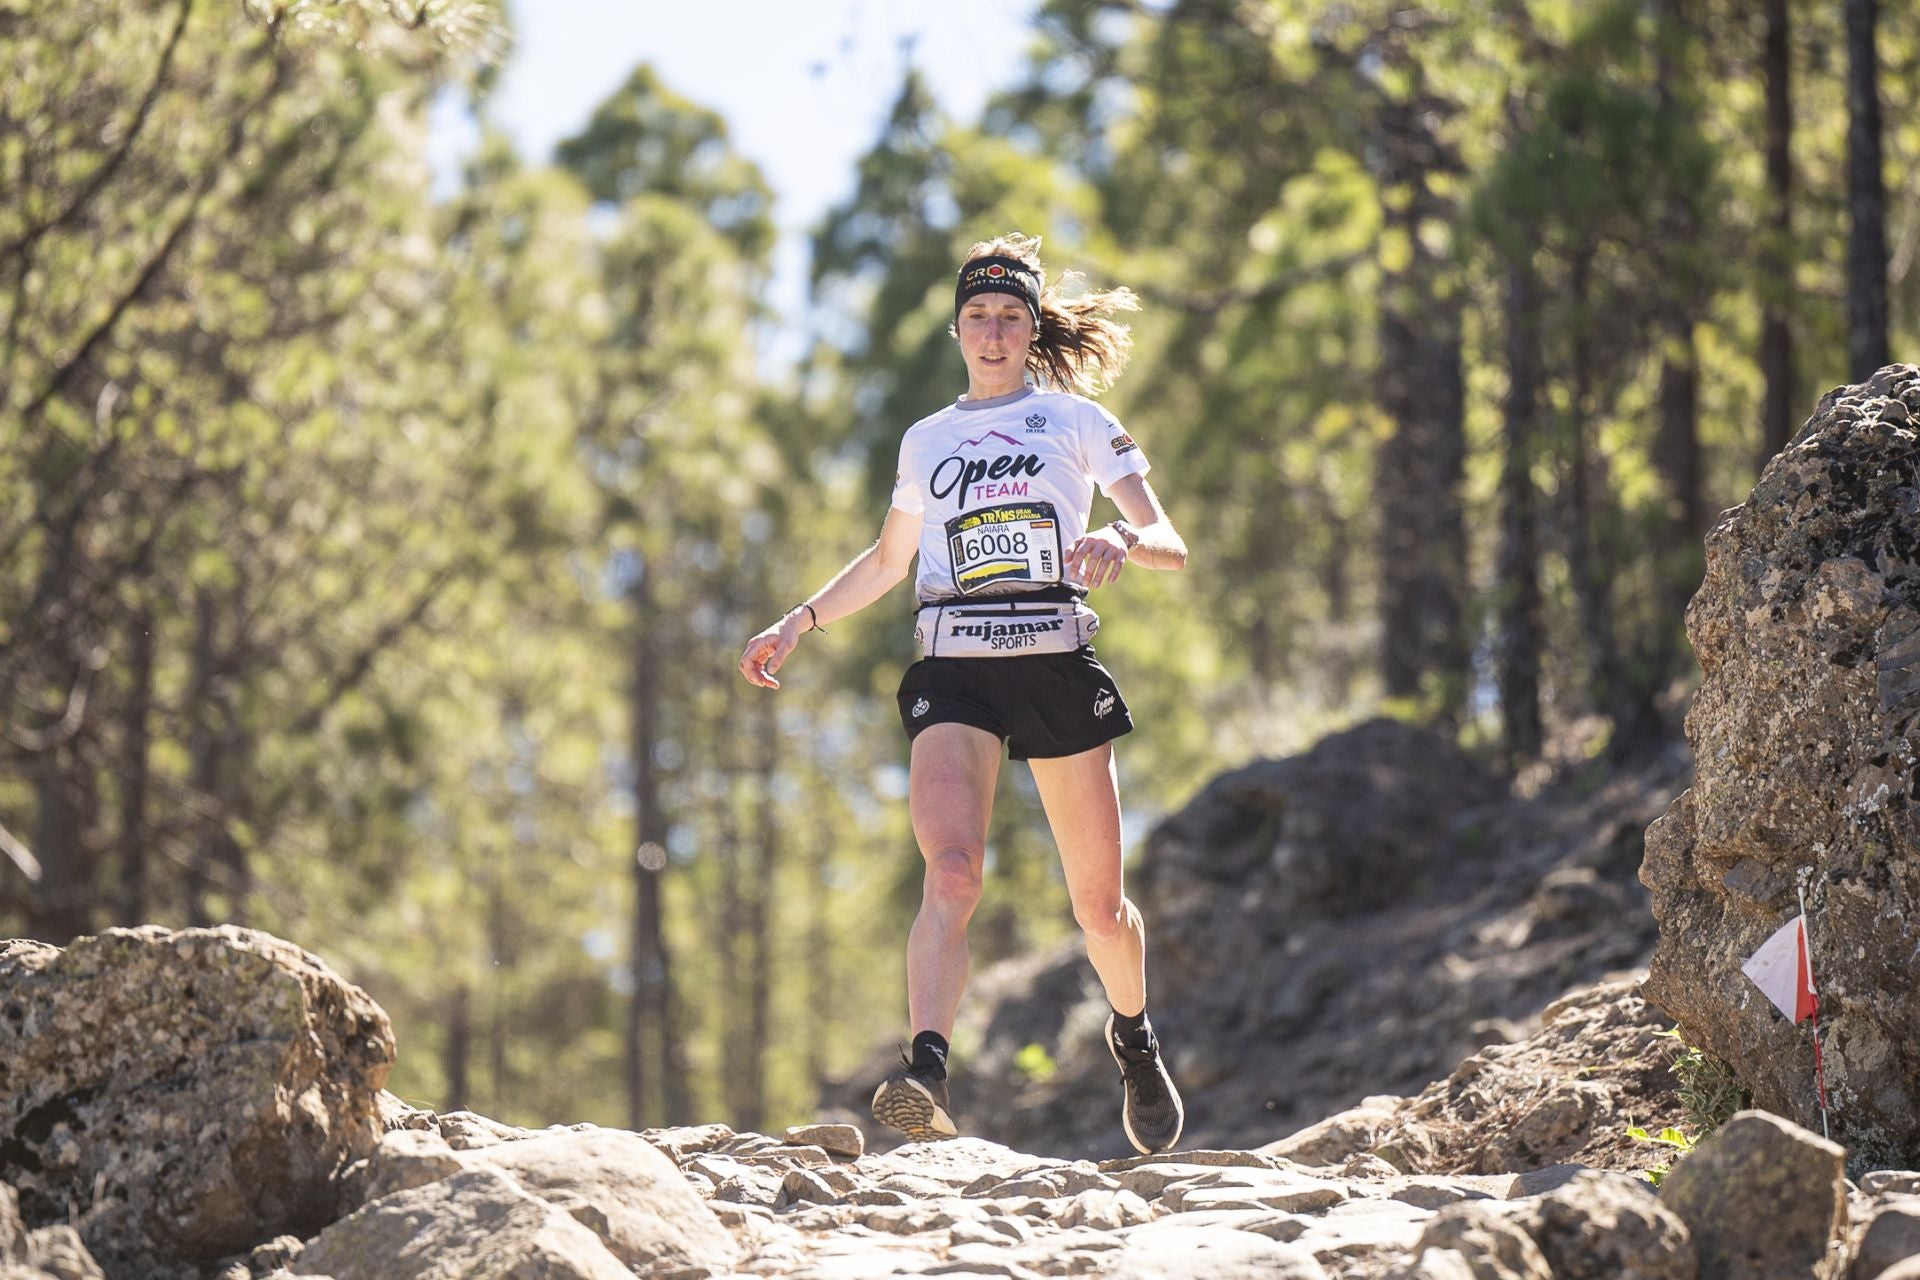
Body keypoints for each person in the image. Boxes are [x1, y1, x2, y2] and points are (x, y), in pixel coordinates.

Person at [738, 233, 1189, 1155]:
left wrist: (1119, 541)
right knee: (951, 870)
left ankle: (1135, 1041)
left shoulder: (1075, 420)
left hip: (1057, 657)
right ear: (956, 330)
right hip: (956, 665)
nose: (992, 331)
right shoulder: (928, 439)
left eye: (1010, 316)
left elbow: (1169, 538)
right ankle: (926, 1073)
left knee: (1098, 909)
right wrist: (798, 622)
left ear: (1031, 330)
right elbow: (889, 560)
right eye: (977, 316)